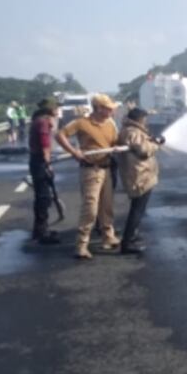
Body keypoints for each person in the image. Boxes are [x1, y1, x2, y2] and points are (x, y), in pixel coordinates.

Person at [55, 93, 121, 260]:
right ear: (98, 108)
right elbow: (60, 135)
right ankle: (81, 244)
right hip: (91, 170)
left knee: (107, 206)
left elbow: (115, 142)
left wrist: (117, 147)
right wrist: (74, 152)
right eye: (108, 109)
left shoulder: (110, 124)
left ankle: (108, 236)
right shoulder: (82, 123)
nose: (111, 112)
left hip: (106, 168)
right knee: (90, 208)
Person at [117, 108, 165, 254]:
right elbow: (144, 150)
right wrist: (157, 144)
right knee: (137, 210)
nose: (146, 121)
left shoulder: (131, 130)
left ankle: (132, 236)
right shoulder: (133, 132)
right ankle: (127, 243)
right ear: (139, 119)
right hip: (140, 176)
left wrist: (150, 140)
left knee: (139, 208)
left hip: (141, 175)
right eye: (145, 118)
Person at [28, 98, 61, 245]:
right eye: (56, 108)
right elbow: (44, 144)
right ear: (50, 109)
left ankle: (40, 230)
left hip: (36, 160)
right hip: (40, 161)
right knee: (44, 198)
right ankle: (41, 232)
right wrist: (48, 163)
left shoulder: (39, 120)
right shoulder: (43, 122)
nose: (57, 110)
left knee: (42, 197)